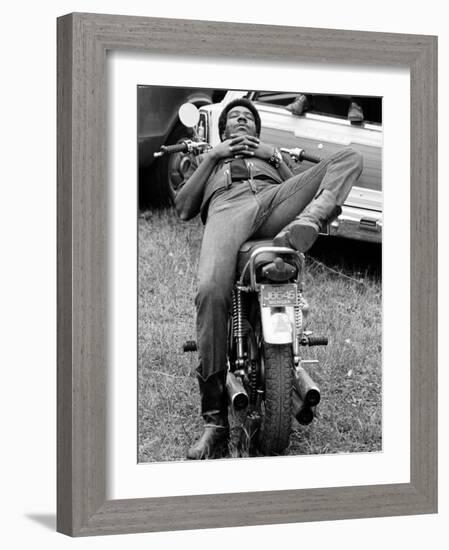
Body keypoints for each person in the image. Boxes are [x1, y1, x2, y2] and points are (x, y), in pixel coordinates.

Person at [174, 98, 363, 459]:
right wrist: (215, 156)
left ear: (257, 131)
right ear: (224, 130)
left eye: (248, 118)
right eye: (235, 119)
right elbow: (184, 207)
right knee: (211, 292)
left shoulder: (271, 158)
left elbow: (304, 185)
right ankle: (214, 425)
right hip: (227, 209)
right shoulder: (209, 160)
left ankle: (307, 224)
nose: (242, 120)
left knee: (350, 156)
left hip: (274, 203)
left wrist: (274, 155)